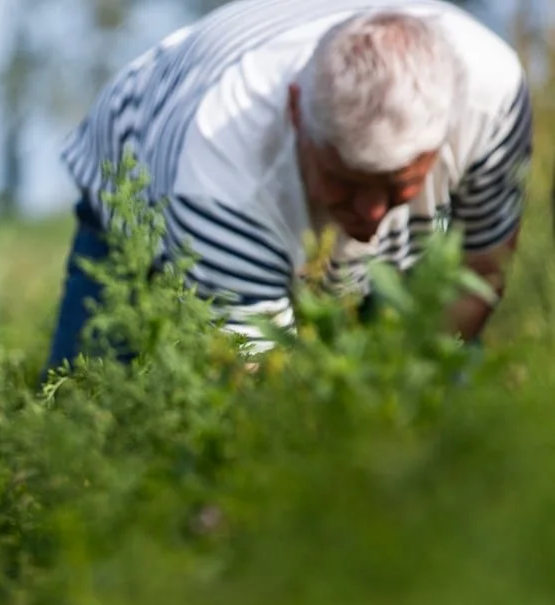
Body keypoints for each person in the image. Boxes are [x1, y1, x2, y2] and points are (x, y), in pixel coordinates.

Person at [46, 0, 534, 370]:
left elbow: (481, 268)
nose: (370, 213)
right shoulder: (219, 168)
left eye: (397, 185)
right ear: (297, 112)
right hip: (144, 170)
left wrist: (413, 389)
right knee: (92, 398)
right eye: (345, 181)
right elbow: (255, 388)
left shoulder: (492, 100)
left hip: (328, 224)